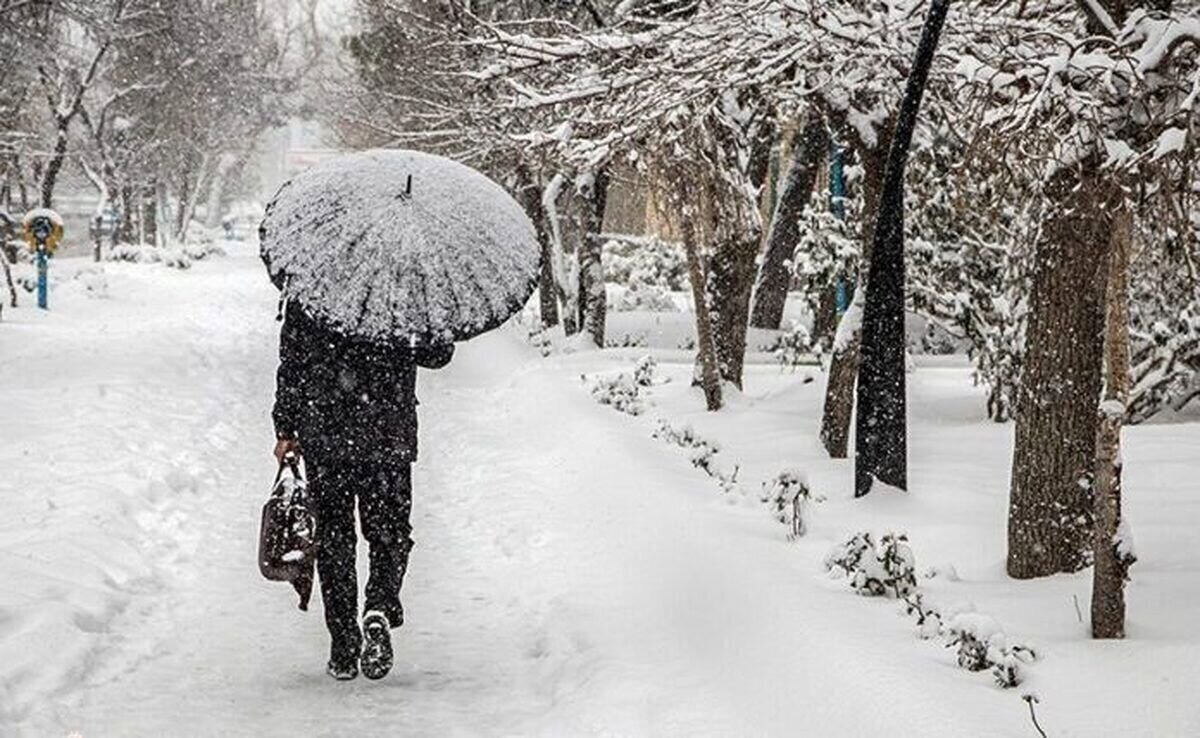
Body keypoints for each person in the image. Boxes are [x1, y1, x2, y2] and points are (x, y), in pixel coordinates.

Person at [272, 300, 453, 681]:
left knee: (333, 538)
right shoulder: (405, 290)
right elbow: (439, 354)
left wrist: (285, 428)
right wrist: (410, 335)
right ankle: (380, 606)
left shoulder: (314, 287)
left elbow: (292, 361)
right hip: (388, 431)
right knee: (390, 531)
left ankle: (343, 645)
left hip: (325, 430)